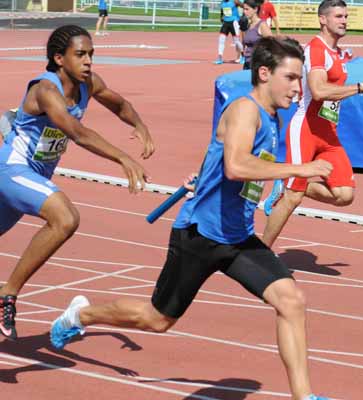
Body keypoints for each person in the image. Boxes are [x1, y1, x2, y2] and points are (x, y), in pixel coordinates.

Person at [51, 36, 334, 400]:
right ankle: (80, 316)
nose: (298, 88)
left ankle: (303, 397)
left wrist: (203, 176)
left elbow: (222, 158)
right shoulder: (245, 110)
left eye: (300, 79)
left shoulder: (271, 116)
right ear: (264, 73)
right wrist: (301, 168)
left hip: (237, 238)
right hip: (200, 235)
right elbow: (236, 166)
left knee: (291, 300)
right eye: (291, 78)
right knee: (157, 320)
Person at [0, 25, 154, 340]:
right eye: (80, 54)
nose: (88, 61)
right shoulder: (45, 90)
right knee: (66, 218)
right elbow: (77, 132)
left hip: (34, 177)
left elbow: (120, 104)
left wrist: (140, 125)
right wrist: (123, 158)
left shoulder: (89, 84)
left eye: (91, 54)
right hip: (12, 171)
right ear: (59, 58)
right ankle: (7, 294)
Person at [261, 0, 363, 248]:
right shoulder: (316, 49)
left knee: (344, 195)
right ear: (323, 19)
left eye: (346, 16)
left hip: (328, 132)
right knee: (292, 198)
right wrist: (360, 88)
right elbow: (317, 91)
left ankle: (291, 181)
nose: (344, 20)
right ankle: (261, 252)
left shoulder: (337, 52)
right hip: (305, 128)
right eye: (338, 16)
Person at [242, 0, 272, 70]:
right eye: (243, 9)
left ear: (255, 9)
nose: (244, 12)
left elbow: (272, 44)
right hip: (247, 62)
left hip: (258, 64)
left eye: (247, 9)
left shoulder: (262, 25)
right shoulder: (248, 25)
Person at [214, 0, 244, 65]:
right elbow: (222, 11)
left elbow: (244, 7)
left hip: (234, 22)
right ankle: (220, 58)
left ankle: (243, 56)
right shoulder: (222, 2)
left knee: (236, 41)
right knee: (221, 40)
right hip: (226, 22)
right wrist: (221, 17)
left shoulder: (235, 1)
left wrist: (243, 16)